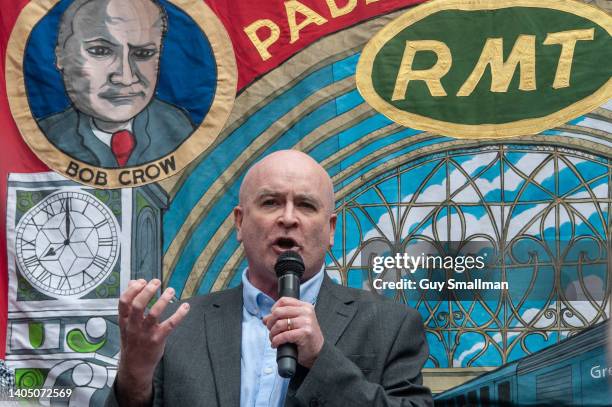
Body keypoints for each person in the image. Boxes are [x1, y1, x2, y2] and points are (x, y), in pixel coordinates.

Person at [106, 150, 433, 406]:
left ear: (331, 229)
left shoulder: (390, 325)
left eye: (305, 205)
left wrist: (321, 359)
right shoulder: (177, 329)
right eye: (270, 202)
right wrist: (135, 375)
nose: (288, 218)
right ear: (239, 222)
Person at [38, 0, 193, 168]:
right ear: (61, 56)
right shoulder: (42, 139)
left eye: (143, 53)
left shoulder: (180, 128)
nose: (126, 77)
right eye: (100, 51)